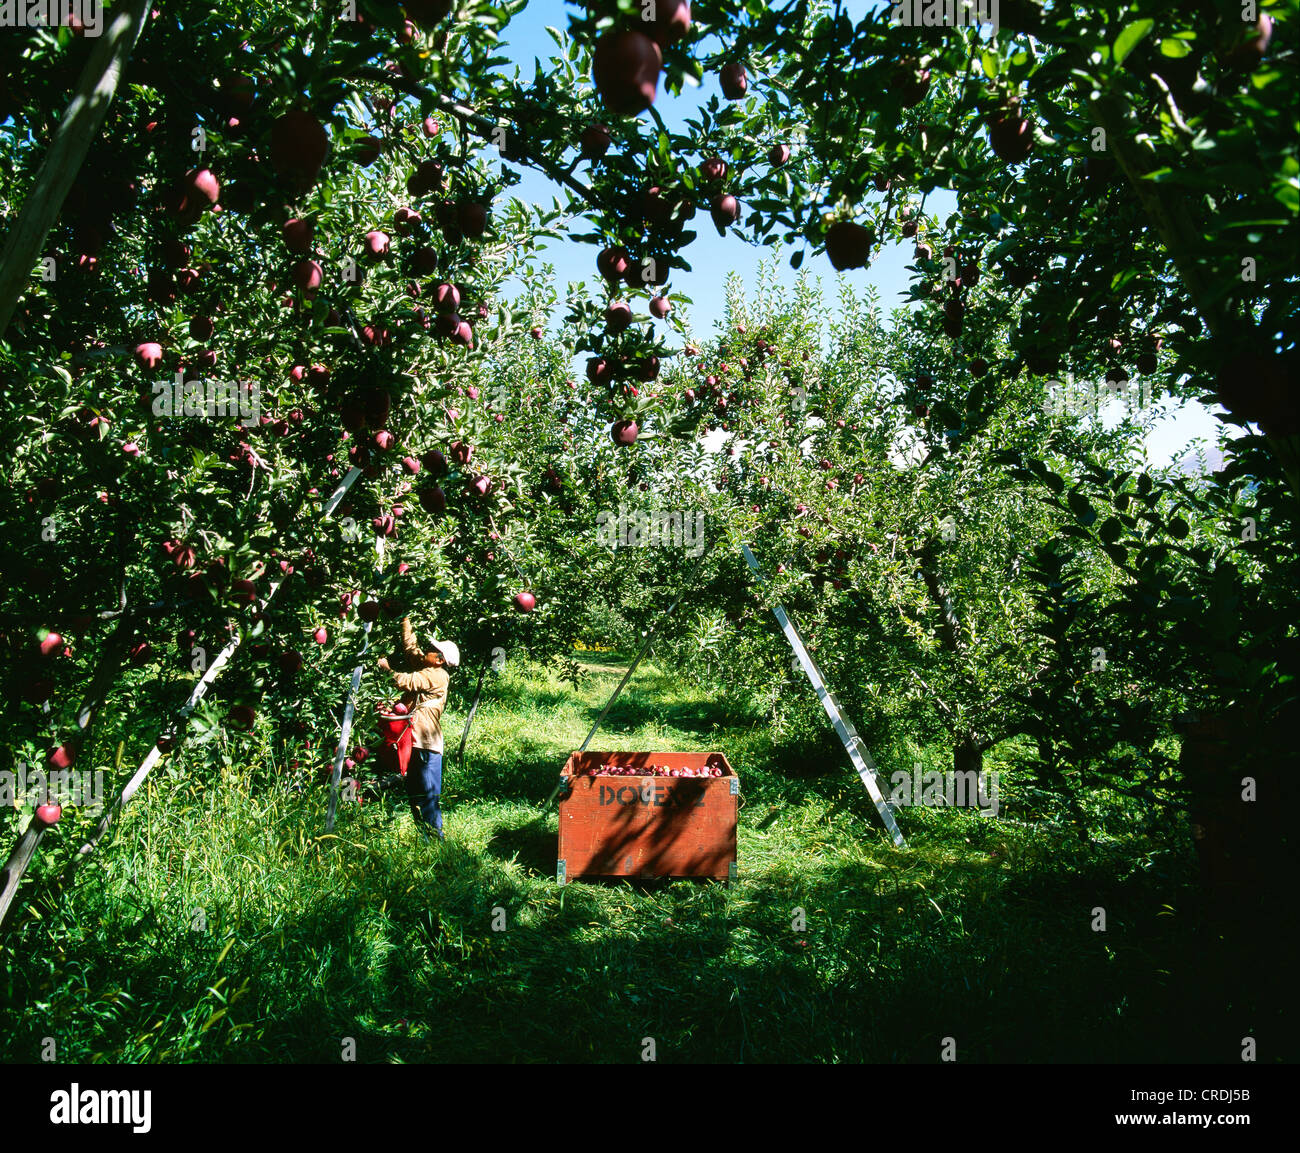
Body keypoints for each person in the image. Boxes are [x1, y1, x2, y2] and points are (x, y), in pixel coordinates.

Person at [377, 618, 459, 839]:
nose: (428, 650)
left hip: (426, 743)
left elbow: (406, 681)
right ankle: (426, 838)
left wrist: (386, 669)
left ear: (439, 660)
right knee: (415, 793)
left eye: (433, 650)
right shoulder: (428, 666)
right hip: (416, 741)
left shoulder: (436, 675)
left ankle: (435, 840)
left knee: (427, 794)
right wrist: (404, 618)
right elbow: (411, 648)